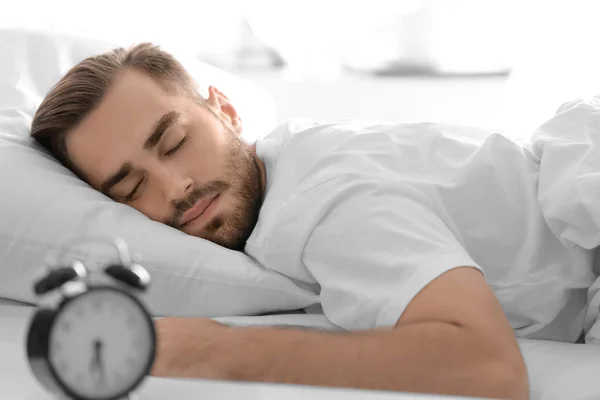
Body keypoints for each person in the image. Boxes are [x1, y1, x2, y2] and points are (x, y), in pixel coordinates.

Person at [34, 42, 600, 400]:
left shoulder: (314, 206)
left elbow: (489, 368)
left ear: (225, 110)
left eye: (176, 142)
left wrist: (212, 351)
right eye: (131, 188)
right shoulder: (293, 152)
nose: (174, 188)